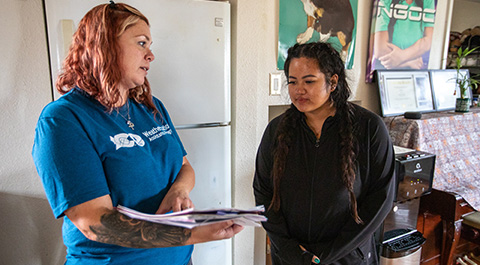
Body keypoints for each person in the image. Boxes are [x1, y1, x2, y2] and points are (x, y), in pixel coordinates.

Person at [32, 2, 242, 264]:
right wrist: (190, 234)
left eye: (150, 45)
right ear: (105, 45)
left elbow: (184, 167)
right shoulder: (64, 119)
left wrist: (178, 191)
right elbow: (96, 223)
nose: (151, 55)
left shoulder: (150, 108)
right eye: (142, 43)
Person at [253, 42, 396, 264]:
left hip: (347, 257)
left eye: (309, 81)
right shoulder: (277, 130)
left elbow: (381, 200)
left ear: (333, 81)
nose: (299, 90)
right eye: (292, 82)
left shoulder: (369, 128)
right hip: (292, 258)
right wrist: (290, 251)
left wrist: (326, 256)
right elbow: (263, 192)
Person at [366, 0, 435, 81]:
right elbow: (380, 50)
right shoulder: (386, 1)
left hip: (414, 76)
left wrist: (402, 56)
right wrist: (409, 62)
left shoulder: (428, 1)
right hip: (386, 74)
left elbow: (429, 40)